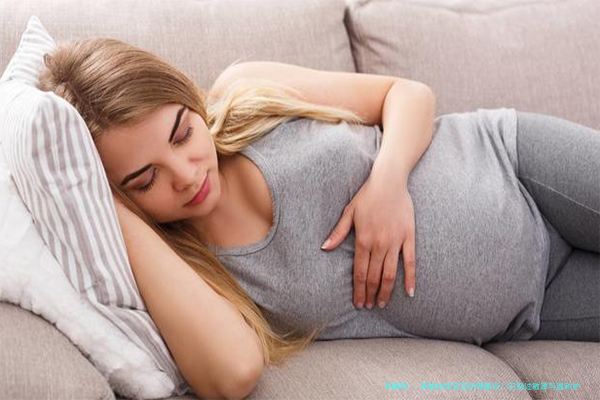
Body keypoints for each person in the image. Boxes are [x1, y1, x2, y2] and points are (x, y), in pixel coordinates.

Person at [38, 37, 600, 397]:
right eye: (146, 180)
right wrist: (111, 207)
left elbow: (406, 93)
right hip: (535, 307)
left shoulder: (245, 91)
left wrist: (387, 184)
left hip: (517, 165)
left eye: (183, 132)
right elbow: (233, 375)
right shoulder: (198, 275)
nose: (185, 175)